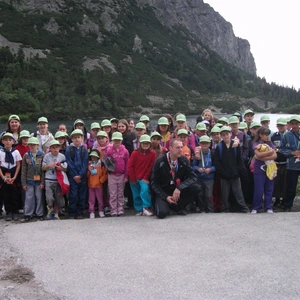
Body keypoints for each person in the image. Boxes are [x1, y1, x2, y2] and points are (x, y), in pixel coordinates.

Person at [151, 138, 202, 219]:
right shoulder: (160, 161)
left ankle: (178, 207)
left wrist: (179, 188)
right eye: (177, 148)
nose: (180, 150)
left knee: (196, 187)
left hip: (177, 190)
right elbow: (154, 183)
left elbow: (193, 177)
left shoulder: (183, 160)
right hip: (164, 192)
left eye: (181, 147)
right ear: (170, 148)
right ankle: (168, 206)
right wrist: (165, 197)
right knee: (161, 214)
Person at [213, 126, 249, 213]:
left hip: (235, 174)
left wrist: (237, 171)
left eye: (227, 134)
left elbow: (239, 160)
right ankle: (225, 208)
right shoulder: (220, 147)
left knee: (238, 192)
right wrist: (222, 172)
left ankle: (243, 207)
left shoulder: (236, 145)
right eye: (223, 135)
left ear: (230, 134)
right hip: (224, 175)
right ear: (221, 136)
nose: (226, 136)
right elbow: (217, 162)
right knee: (225, 193)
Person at [251, 127, 277, 214]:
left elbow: (275, 156)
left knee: (269, 188)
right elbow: (258, 154)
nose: (267, 136)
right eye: (265, 134)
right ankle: (256, 207)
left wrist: (263, 157)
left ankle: (268, 207)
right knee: (258, 189)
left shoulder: (270, 143)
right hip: (259, 170)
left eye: (268, 134)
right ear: (260, 135)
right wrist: (270, 152)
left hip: (270, 169)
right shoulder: (255, 144)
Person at [128, 134, 156, 216]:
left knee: (144, 190)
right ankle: (139, 209)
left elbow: (151, 167)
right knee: (136, 193)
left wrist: (146, 177)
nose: (145, 145)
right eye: (143, 143)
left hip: (144, 177)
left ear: (150, 144)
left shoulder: (152, 153)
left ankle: (146, 207)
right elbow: (130, 166)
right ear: (140, 144)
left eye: (147, 143)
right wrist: (132, 178)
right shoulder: (135, 153)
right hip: (134, 176)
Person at [65, 129, 89, 219]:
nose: (77, 139)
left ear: (82, 138)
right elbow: (69, 163)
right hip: (72, 176)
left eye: (78, 137)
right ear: (72, 139)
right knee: (73, 194)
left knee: (82, 194)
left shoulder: (84, 149)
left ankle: (80, 212)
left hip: (82, 176)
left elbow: (85, 163)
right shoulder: (69, 150)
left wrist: (81, 174)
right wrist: (75, 175)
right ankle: (72, 212)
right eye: (75, 138)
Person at [21, 137, 45, 222]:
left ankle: (39, 213)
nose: (32, 146)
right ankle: (28, 213)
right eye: (30, 145)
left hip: (39, 181)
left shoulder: (42, 155)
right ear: (28, 145)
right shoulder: (26, 155)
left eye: (34, 145)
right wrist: (23, 183)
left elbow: (43, 170)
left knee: (39, 197)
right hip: (29, 180)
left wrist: (42, 182)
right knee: (29, 197)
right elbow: (23, 170)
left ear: (37, 145)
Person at [43, 140, 68, 220]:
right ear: (50, 148)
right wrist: (49, 166)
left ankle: (56, 214)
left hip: (58, 180)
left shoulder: (62, 156)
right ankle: (50, 209)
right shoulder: (46, 156)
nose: (55, 149)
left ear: (60, 147)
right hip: (48, 179)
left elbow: (66, 169)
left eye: (57, 147)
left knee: (58, 198)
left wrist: (60, 168)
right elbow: (42, 168)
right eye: (53, 148)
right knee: (49, 198)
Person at [106, 132, 129, 217]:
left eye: (118, 140)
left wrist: (126, 175)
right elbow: (106, 161)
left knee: (120, 193)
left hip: (122, 175)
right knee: (113, 194)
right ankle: (113, 210)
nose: (117, 142)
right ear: (112, 141)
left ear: (121, 141)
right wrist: (109, 170)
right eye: (115, 140)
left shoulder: (125, 151)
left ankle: (120, 209)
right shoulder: (109, 150)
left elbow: (127, 163)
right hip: (112, 175)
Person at [0, 133, 22, 221]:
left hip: (13, 173)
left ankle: (15, 211)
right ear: (2, 141)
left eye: (10, 140)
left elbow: (18, 165)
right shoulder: (0, 152)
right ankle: (8, 212)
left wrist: (15, 176)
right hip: (4, 173)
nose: (8, 142)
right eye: (5, 140)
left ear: (13, 141)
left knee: (15, 193)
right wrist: (3, 178)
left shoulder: (16, 152)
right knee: (6, 193)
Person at [280, 115, 300, 212]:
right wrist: (292, 153)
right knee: (291, 187)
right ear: (290, 124)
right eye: (293, 123)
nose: (295, 125)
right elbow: (281, 149)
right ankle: (287, 206)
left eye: (296, 123)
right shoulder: (287, 135)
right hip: (292, 165)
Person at [193, 136, 215, 213]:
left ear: (209, 144)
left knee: (208, 195)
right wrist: (198, 169)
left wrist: (211, 169)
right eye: (202, 143)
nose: (204, 145)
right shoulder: (197, 155)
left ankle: (209, 209)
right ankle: (201, 208)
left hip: (209, 178)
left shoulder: (212, 153)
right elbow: (193, 166)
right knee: (200, 194)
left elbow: (216, 166)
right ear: (199, 144)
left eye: (206, 143)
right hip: (200, 178)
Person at [271, 118, 288, 207]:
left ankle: (284, 200)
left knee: (285, 183)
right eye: (279, 125)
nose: (281, 127)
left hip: (286, 163)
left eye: (282, 125)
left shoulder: (289, 135)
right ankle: (277, 200)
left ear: (286, 125)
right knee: (276, 182)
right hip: (276, 163)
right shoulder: (274, 136)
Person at [87, 149, 107, 218]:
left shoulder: (101, 165)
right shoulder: (89, 164)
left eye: (95, 157)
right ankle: (91, 212)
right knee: (91, 200)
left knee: (100, 199)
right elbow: (87, 175)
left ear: (98, 157)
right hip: (91, 185)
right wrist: (89, 170)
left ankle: (101, 211)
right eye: (92, 157)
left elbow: (105, 174)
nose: (93, 158)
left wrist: (100, 181)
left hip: (99, 186)